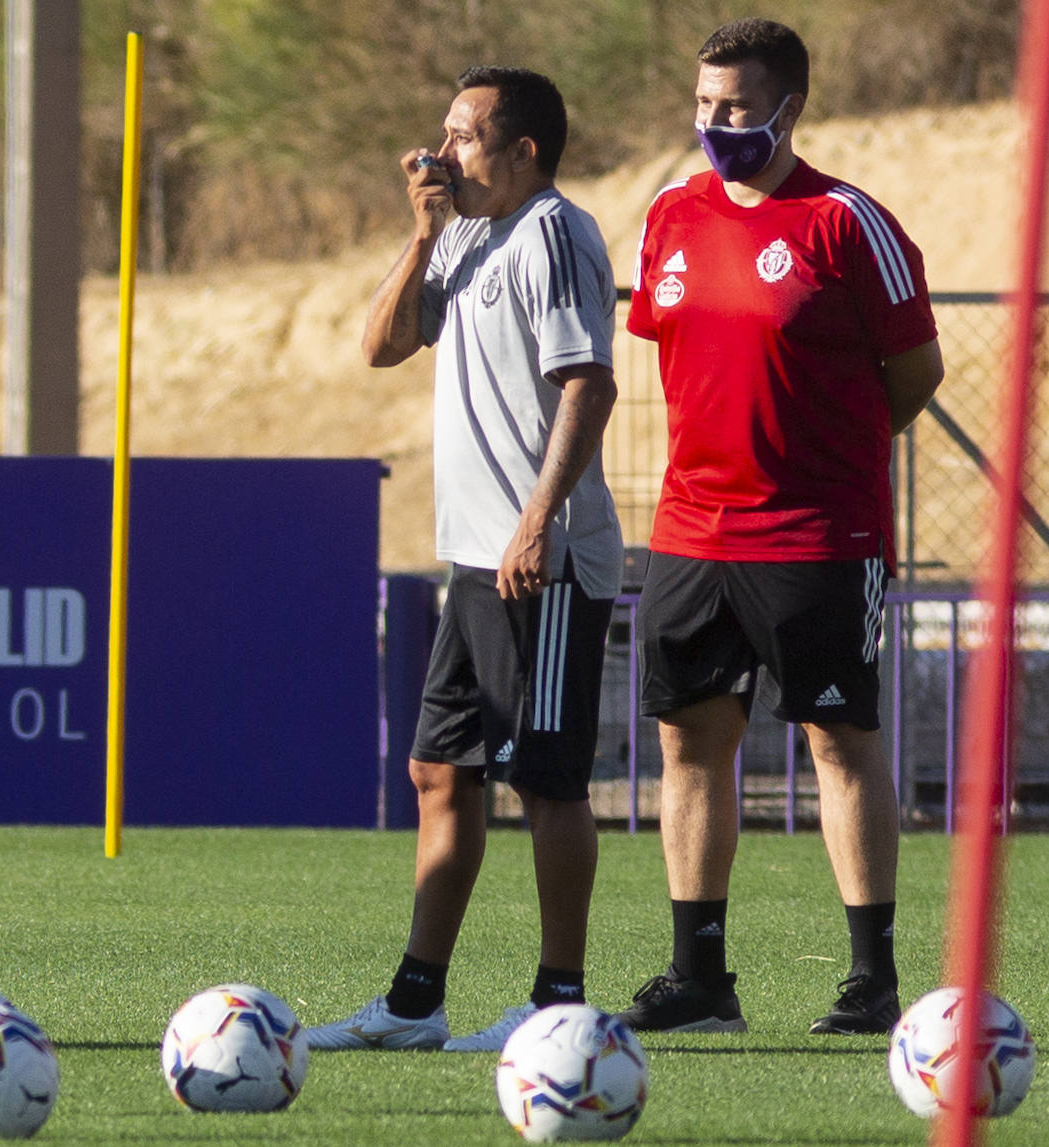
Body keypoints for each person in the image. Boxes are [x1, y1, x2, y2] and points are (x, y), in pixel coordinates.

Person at [617, 18, 944, 1036]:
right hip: (690, 533)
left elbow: (916, 371)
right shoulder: (669, 213)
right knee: (689, 743)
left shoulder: (847, 223)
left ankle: (871, 980)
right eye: (703, 104)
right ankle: (700, 978)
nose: (715, 123)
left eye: (737, 107)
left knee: (837, 741)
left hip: (818, 535)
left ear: (789, 108)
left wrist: (834, 455)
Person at [307, 66, 623, 1053]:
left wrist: (537, 519)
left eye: (464, 135)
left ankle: (558, 999)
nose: (441, 152)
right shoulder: (465, 235)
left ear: (523, 150)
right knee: (439, 771)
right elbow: (380, 347)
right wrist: (421, 234)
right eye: (441, 132)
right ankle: (415, 1002)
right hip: (474, 560)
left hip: (545, 559)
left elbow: (589, 385)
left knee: (549, 781)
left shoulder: (554, 233)